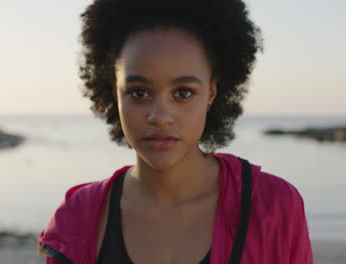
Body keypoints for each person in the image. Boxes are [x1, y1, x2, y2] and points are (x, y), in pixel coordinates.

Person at [37, 0, 313, 263]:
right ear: (114, 94)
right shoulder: (78, 219)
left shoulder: (273, 206)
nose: (160, 117)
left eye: (183, 93)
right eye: (139, 93)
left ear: (211, 93)